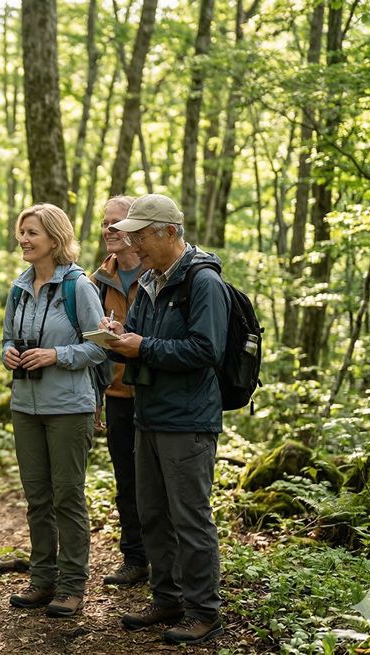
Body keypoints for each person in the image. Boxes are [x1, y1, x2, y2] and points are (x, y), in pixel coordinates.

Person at [101, 194, 229, 645]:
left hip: (188, 419)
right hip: (148, 413)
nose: (132, 242)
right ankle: (168, 597)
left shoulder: (203, 281)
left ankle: (203, 610)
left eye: (140, 234)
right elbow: (141, 336)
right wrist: (119, 338)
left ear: (168, 232)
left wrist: (142, 347)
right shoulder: (152, 280)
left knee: (189, 517)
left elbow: (206, 349)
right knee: (152, 512)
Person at [2, 204, 107, 618]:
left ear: (55, 238)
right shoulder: (18, 288)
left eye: (33, 233)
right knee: (37, 497)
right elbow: (10, 337)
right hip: (25, 407)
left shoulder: (78, 287)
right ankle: (42, 581)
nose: (24, 239)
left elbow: (100, 347)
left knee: (67, 496)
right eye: (22, 231)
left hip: (69, 408)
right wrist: (10, 353)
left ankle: (71, 585)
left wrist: (56, 356)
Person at [90, 196, 149, 587]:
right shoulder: (97, 280)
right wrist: (95, 395)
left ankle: (168, 558)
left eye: (116, 223)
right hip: (117, 394)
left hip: (155, 391)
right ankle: (134, 558)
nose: (108, 229)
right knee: (126, 479)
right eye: (105, 223)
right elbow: (93, 346)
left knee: (157, 479)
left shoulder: (158, 271)